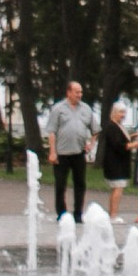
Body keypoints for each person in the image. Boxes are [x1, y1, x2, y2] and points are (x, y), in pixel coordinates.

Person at [45, 80, 93, 221]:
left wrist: (91, 143)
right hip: (62, 154)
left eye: (81, 92)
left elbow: (95, 129)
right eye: (77, 92)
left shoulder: (86, 109)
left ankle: (78, 213)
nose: (79, 95)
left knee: (80, 184)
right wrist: (52, 152)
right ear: (69, 92)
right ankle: (61, 213)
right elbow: (52, 131)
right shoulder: (58, 109)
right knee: (60, 184)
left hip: (79, 153)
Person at [97, 98, 133, 222]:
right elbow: (118, 145)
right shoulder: (112, 127)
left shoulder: (118, 126)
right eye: (120, 112)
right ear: (114, 113)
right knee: (117, 188)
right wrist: (134, 145)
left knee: (117, 189)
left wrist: (133, 137)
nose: (122, 115)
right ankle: (113, 214)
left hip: (119, 163)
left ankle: (113, 213)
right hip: (115, 164)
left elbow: (122, 139)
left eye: (124, 113)